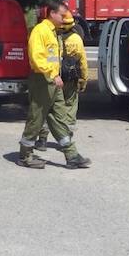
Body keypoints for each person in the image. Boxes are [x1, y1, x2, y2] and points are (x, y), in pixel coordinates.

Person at [18, 0, 91, 169]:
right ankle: (25, 155)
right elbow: (37, 58)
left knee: (60, 117)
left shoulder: (53, 32)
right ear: (52, 14)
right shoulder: (40, 31)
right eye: (62, 14)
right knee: (37, 117)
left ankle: (71, 155)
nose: (65, 18)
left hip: (53, 80)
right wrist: (52, 75)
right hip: (42, 80)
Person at [35, 12, 89, 151]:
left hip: (53, 77)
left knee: (48, 108)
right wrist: (83, 79)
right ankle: (66, 139)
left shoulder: (51, 36)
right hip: (70, 79)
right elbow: (82, 62)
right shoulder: (77, 39)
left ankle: (42, 140)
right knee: (70, 107)